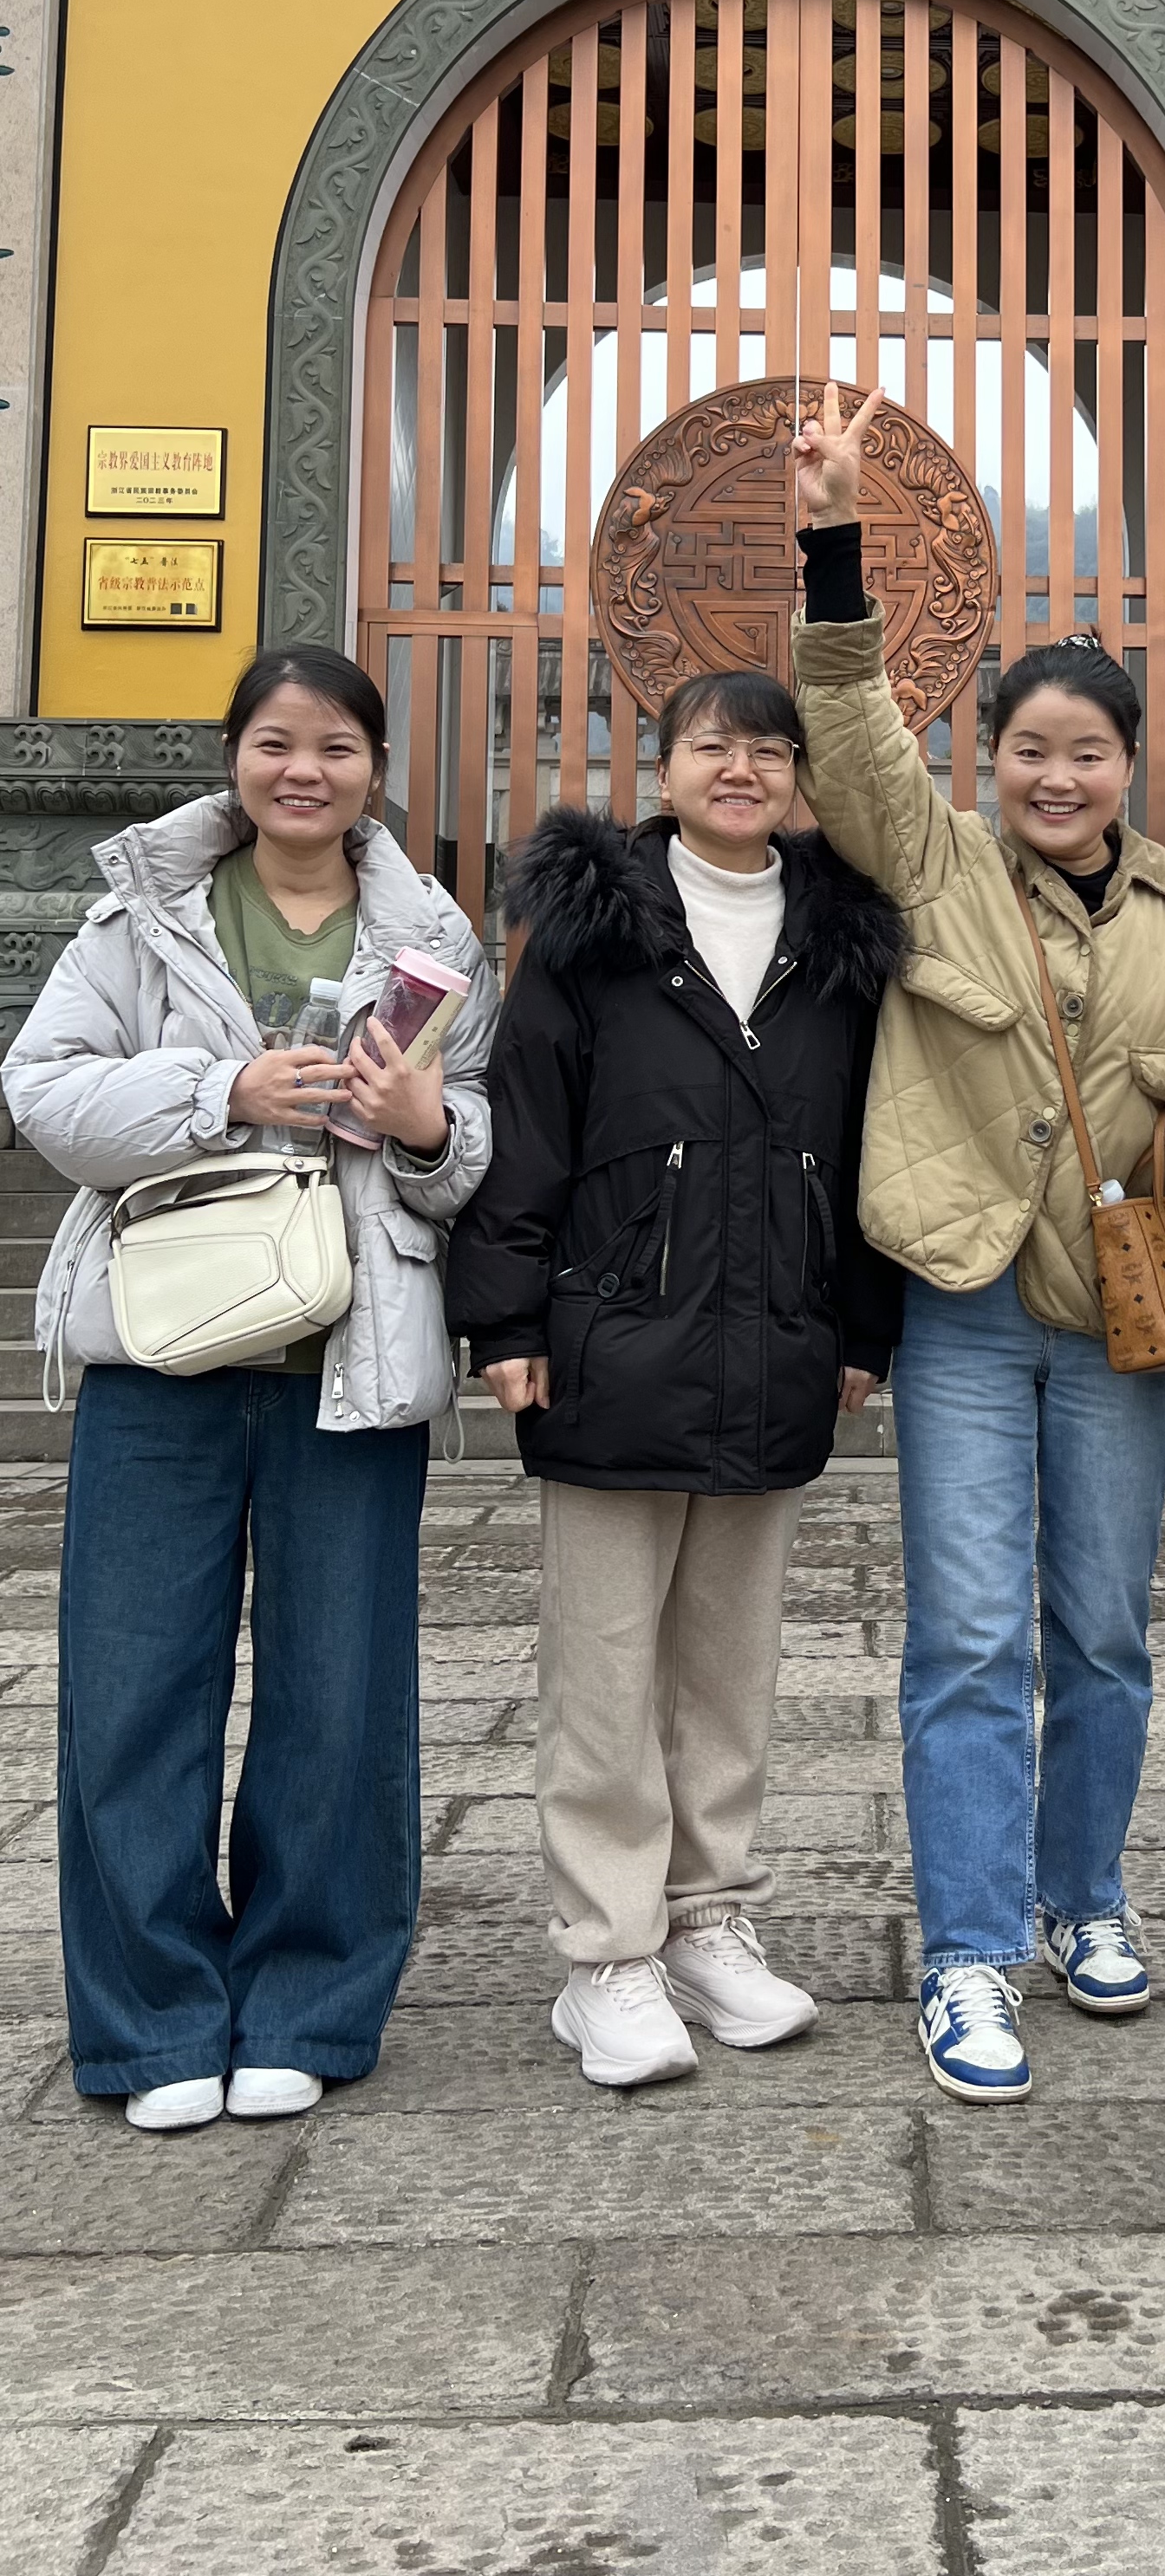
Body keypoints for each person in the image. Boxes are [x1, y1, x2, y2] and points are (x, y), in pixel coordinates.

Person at [789, 383, 1165, 2105]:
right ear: (988, 758)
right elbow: (852, 734)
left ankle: (1085, 1897)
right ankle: (969, 1946)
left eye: (1088, 754)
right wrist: (834, 547)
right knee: (968, 1638)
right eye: (1028, 750)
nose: (1057, 777)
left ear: (1131, 767)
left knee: (1107, 1633)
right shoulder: (932, 866)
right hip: (966, 1304)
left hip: (1124, 1320)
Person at [3, 644, 495, 2135]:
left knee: (339, 1700)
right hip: (166, 1351)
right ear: (234, 757)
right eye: (277, 742)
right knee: (132, 1691)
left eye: (337, 747)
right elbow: (43, 1090)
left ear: (374, 773)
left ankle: (308, 2001)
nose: (305, 771)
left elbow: (473, 1147)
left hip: (351, 1358)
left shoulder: (432, 934)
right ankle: (152, 2020)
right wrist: (219, 1091)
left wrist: (427, 1127)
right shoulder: (140, 912)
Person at [444, 669, 904, 2090]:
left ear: (800, 778)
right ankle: (606, 1954)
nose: (742, 770)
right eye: (716, 746)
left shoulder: (840, 935)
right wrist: (505, 1321)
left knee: (728, 1666)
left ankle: (708, 1920)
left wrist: (862, 1329)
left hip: (776, 1344)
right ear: (665, 769)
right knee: (601, 1670)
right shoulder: (591, 927)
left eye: (769, 750)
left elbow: (871, 1142)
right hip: (611, 1340)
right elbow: (526, 1123)